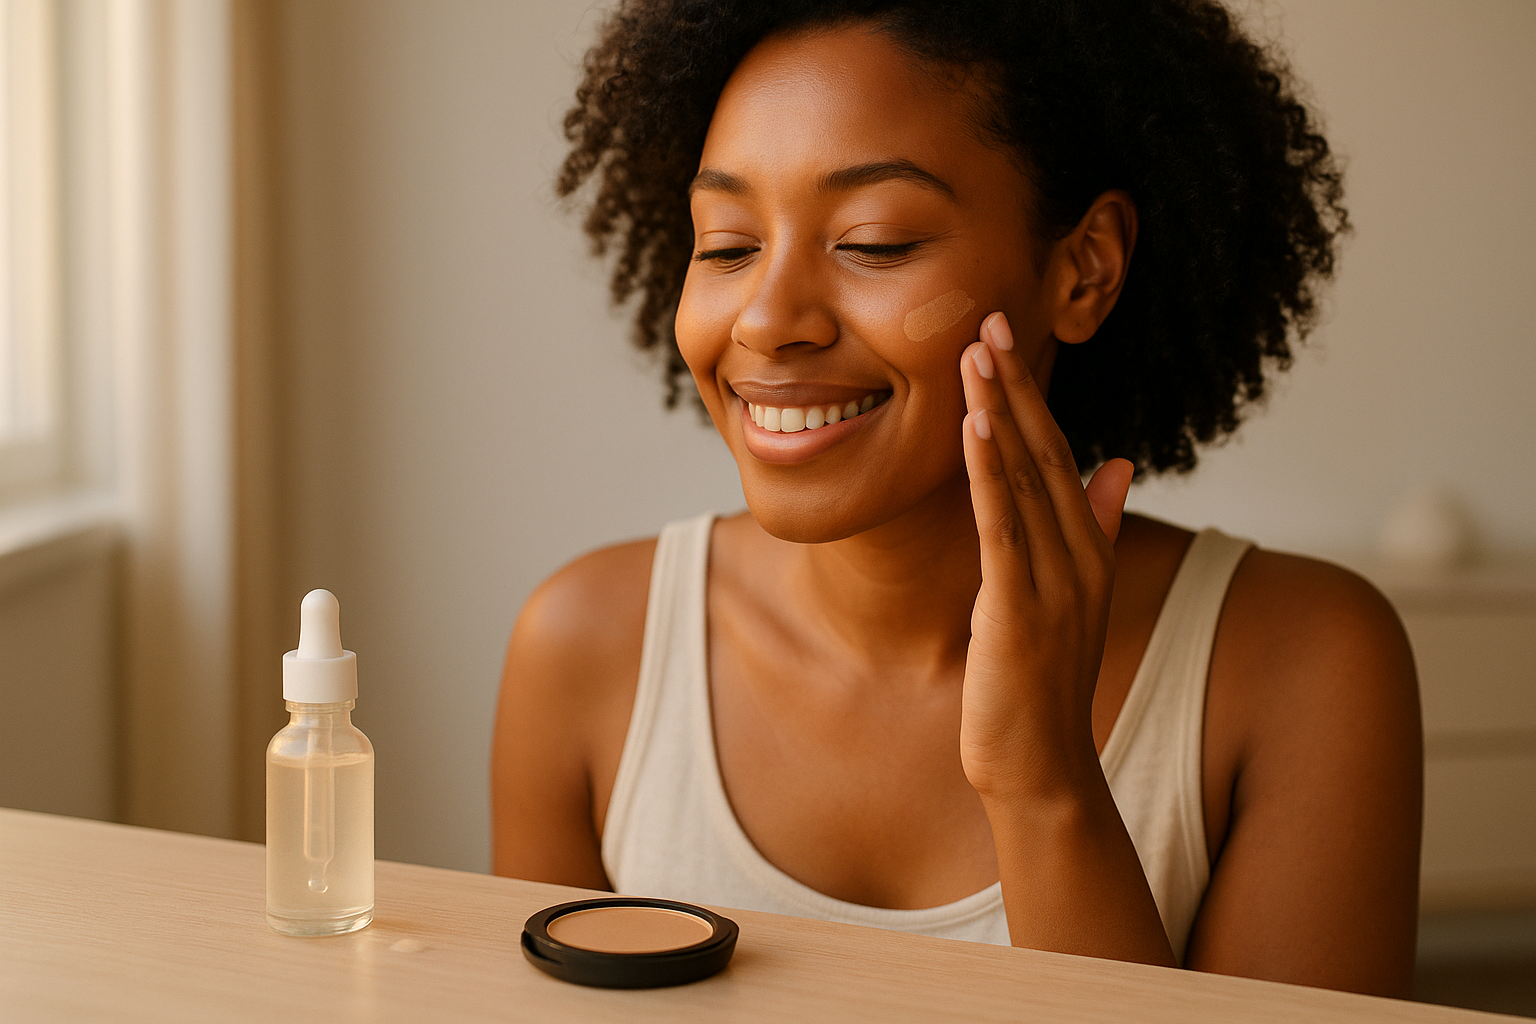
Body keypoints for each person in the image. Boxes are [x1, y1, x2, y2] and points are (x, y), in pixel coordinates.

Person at [492, 0, 1422, 997]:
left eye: (875, 241)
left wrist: (1045, 781)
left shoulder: (1305, 667)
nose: (766, 319)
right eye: (726, 244)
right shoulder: (586, 648)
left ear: (1084, 267)